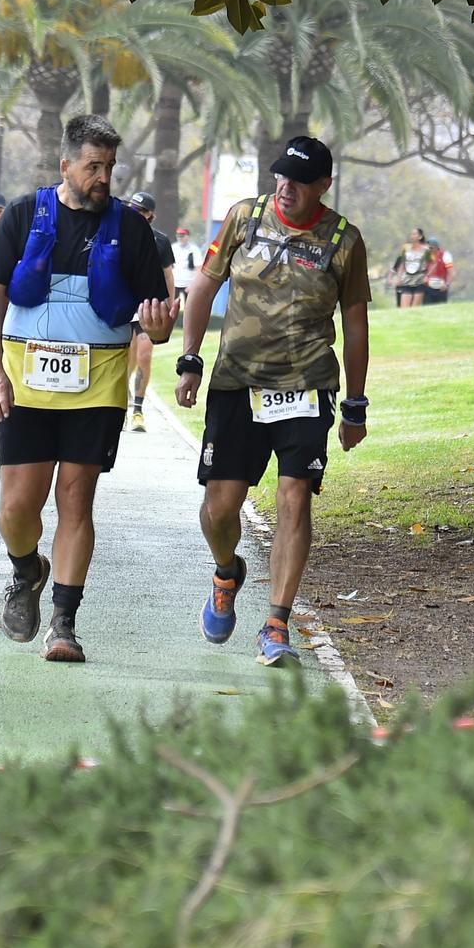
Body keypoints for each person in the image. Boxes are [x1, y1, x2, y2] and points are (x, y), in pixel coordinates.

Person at [0, 114, 177, 663]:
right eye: (93, 166)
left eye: (109, 167)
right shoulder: (21, 215)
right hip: (23, 385)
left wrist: (158, 328)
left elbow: (157, 320)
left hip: (99, 387)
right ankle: (26, 570)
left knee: (75, 499)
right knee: (18, 506)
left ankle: (64, 623)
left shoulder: (131, 230)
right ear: (66, 165)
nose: (102, 178)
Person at [175, 136, 369, 668]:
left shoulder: (344, 241)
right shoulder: (244, 217)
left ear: (324, 186)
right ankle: (226, 572)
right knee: (219, 510)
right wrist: (190, 358)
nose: (285, 188)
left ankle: (276, 623)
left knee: (294, 497)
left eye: (299, 181)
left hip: (306, 386)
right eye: (280, 176)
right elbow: (204, 286)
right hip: (236, 384)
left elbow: (355, 326)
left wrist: (354, 404)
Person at [124, 190, 178, 433]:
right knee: (126, 359)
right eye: (132, 208)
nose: (134, 213)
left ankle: (137, 410)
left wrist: (169, 307)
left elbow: (168, 274)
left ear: (150, 216)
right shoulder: (116, 232)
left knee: (144, 355)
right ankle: (119, 406)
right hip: (122, 306)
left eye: (140, 210)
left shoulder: (160, 241)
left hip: (148, 307)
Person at [390, 229, 432, 307]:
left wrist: (427, 276)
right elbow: (402, 263)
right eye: (412, 234)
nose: (412, 236)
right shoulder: (406, 248)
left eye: (415, 234)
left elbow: (432, 264)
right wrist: (399, 278)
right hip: (407, 279)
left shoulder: (426, 250)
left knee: (414, 308)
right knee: (404, 307)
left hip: (420, 279)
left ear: (420, 236)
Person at [171, 225, 200, 302]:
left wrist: (193, 284)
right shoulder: (173, 248)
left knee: (189, 307)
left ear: (188, 237)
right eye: (178, 236)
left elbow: (198, 268)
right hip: (175, 283)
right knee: (171, 306)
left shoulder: (194, 249)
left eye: (182, 236)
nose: (180, 238)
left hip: (189, 283)